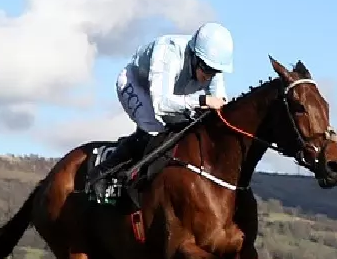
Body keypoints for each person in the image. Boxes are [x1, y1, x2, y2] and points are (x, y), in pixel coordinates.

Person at [97, 22, 234, 188]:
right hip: (135, 84)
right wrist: (202, 101)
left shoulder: (211, 65)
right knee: (155, 129)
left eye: (214, 71)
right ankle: (102, 172)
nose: (208, 76)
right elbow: (161, 104)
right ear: (194, 56)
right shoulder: (168, 52)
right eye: (206, 68)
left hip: (168, 95)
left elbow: (220, 105)